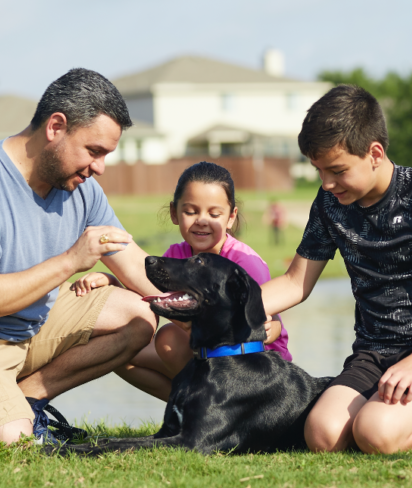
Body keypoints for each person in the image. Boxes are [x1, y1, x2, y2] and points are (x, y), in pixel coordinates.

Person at [0, 68, 164, 451]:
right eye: (94, 151)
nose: (100, 167)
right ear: (56, 126)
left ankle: (27, 399)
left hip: (29, 325)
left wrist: (212, 311)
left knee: (138, 315)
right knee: (11, 444)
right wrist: (71, 261)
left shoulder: (82, 189)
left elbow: (136, 266)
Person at [261, 85, 412, 454]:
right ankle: (391, 416)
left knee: (375, 435)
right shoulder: (330, 203)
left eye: (337, 170)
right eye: (319, 171)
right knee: (323, 436)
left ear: (375, 153)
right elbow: (295, 283)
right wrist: (232, 309)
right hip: (373, 352)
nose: (326, 183)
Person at [74, 162, 291, 400]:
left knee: (168, 337)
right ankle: (189, 412)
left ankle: (213, 410)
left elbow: (271, 322)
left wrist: (268, 328)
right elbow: (151, 296)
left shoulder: (244, 263)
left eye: (214, 214)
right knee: (117, 352)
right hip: (203, 353)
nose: (202, 220)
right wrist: (113, 283)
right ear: (174, 213)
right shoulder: (176, 256)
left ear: (231, 217)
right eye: (191, 211)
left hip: (252, 367)